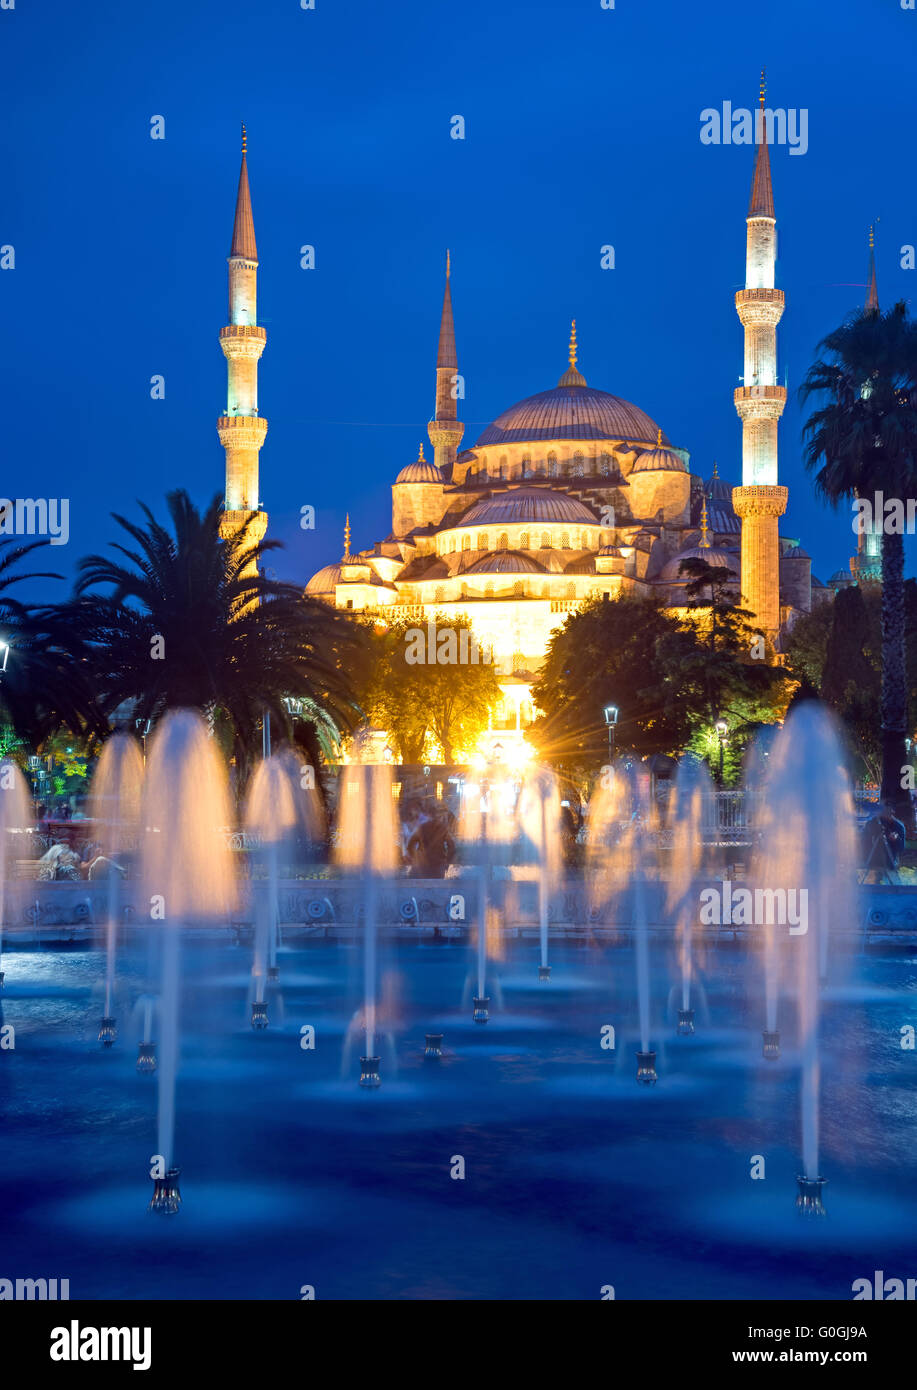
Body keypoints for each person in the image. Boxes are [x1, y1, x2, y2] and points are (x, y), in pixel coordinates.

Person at [861, 803, 907, 883]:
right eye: (883, 812)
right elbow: (864, 843)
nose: (885, 815)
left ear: (892, 812)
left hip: (890, 863)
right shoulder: (871, 824)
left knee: (894, 886)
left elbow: (901, 848)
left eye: (888, 812)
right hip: (873, 863)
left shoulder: (899, 827)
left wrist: (896, 839)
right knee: (872, 886)